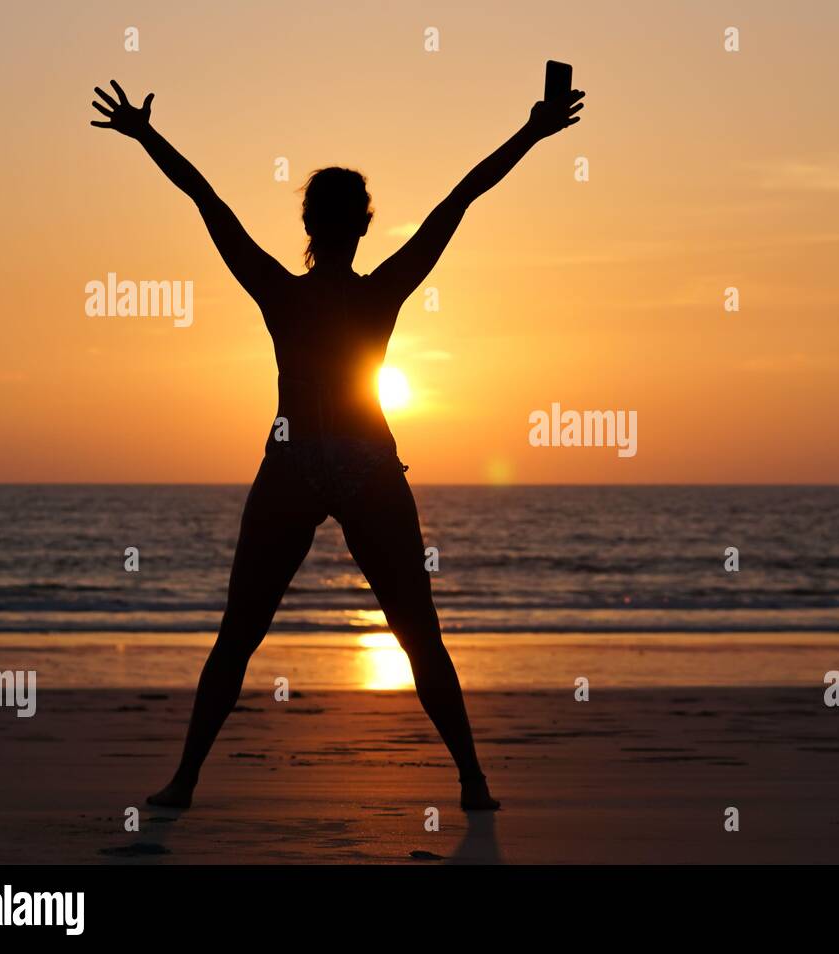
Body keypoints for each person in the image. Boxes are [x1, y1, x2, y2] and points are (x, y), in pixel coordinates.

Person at [90, 78, 585, 812]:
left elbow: (209, 202)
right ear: (358, 227)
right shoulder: (373, 291)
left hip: (305, 461)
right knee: (413, 633)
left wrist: (146, 136)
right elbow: (460, 199)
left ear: (313, 227)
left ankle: (187, 782)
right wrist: (532, 131)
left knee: (245, 634)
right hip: (353, 464)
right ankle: (472, 782)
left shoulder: (284, 292)